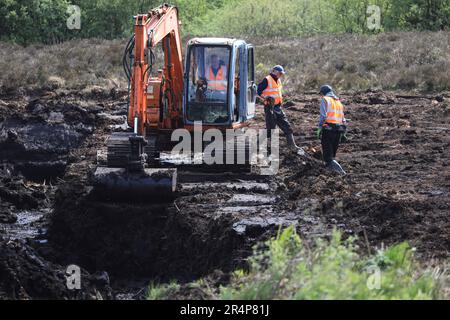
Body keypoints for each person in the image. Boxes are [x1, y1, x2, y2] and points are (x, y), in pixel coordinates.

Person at [257, 65, 301, 151]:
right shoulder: (267, 79)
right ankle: (255, 144)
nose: (281, 75)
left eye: (281, 74)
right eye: (279, 73)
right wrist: (265, 97)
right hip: (269, 107)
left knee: (287, 127)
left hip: (278, 107)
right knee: (270, 130)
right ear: (274, 71)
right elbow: (258, 91)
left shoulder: (278, 81)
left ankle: (292, 146)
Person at [316, 85, 347, 174]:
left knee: (328, 157)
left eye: (321, 94)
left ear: (323, 92)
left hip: (328, 130)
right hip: (338, 130)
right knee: (332, 155)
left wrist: (320, 128)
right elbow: (343, 119)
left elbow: (323, 116)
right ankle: (330, 172)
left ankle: (341, 173)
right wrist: (344, 132)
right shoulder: (338, 102)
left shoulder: (325, 99)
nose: (321, 95)